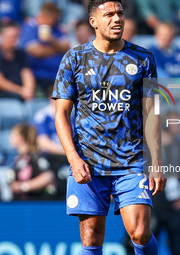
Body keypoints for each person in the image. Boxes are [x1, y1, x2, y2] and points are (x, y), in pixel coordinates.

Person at [53, 0, 166, 254]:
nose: (117, 19)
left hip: (132, 160)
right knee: (91, 237)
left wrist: (156, 161)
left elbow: (151, 113)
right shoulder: (74, 58)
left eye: (120, 13)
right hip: (89, 161)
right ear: (93, 21)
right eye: (109, 15)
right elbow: (61, 113)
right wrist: (73, 159)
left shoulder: (143, 58)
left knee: (139, 232)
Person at [124, 110, 180, 255]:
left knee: (176, 248)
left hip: (173, 206)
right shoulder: (148, 148)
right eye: (176, 123)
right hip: (151, 206)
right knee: (146, 246)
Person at [20, 2, 70, 94]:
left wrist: (52, 40)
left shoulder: (57, 27)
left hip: (58, 74)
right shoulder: (30, 26)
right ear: (46, 16)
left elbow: (67, 47)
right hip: (39, 75)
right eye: (54, 18)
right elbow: (36, 52)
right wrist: (57, 48)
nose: (55, 21)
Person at [33, 85, 71, 199]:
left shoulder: (71, 116)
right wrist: (68, 151)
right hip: (52, 158)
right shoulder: (43, 116)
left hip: (68, 157)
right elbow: (43, 142)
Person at [0, 21, 36, 101]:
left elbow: (27, 74)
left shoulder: (21, 54)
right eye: (12, 37)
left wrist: (29, 90)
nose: (15, 40)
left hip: (21, 93)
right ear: (2, 36)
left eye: (17, 37)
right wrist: (21, 91)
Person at [8, 124, 55, 201]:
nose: (10, 138)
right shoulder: (19, 158)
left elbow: (48, 177)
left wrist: (23, 186)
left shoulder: (34, 156)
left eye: (13, 135)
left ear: (21, 138)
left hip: (34, 205)